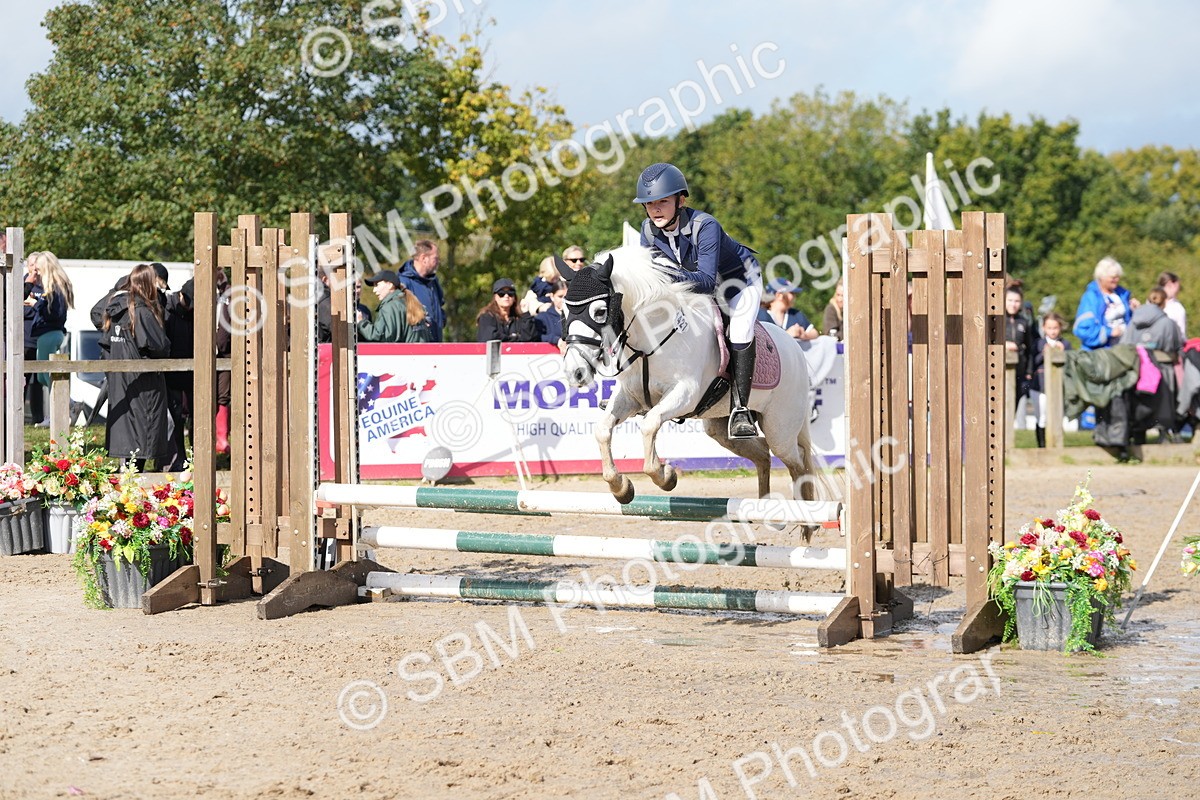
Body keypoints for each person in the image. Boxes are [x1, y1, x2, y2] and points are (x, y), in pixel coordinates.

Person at [635, 162, 763, 438]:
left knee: (739, 330)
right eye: (649, 204)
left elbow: (705, 283)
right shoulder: (647, 231)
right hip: (693, 286)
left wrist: (663, 276)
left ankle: (741, 409)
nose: (655, 209)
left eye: (663, 202)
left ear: (680, 200)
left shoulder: (705, 226)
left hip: (738, 282)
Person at [99, 264, 171, 470]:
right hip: (143, 384)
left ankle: (126, 478)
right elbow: (160, 346)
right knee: (141, 437)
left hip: (120, 383)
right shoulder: (142, 312)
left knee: (127, 440)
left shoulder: (114, 309)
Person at [25, 252, 74, 426]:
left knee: (47, 375)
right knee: (41, 377)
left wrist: (35, 304)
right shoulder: (53, 286)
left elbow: (54, 314)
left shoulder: (55, 287)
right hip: (46, 334)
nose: (35, 273)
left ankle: (67, 406)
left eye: (38, 269)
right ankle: (62, 409)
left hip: (50, 333)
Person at [163, 279, 195, 471]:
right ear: (181, 295)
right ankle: (177, 460)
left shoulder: (194, 313)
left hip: (191, 375)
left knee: (194, 418)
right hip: (172, 375)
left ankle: (194, 458)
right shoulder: (167, 310)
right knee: (175, 419)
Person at [1074, 256, 1136, 350]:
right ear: (1102, 277)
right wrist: (1109, 332)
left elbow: (1129, 320)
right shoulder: (1091, 298)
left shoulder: (1122, 295)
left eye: (1118, 277)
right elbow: (1082, 329)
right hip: (1100, 353)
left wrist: (1135, 310)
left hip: (1123, 348)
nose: (1116, 280)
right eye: (1113, 277)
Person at [1030, 312, 1072, 448]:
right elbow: (1032, 362)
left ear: (1060, 328)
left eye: (1055, 328)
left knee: (1057, 417)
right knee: (1041, 417)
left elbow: (1072, 362)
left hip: (1059, 387)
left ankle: (1056, 444)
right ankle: (1041, 446)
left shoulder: (1065, 343)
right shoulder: (1038, 343)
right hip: (1039, 386)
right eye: (1049, 328)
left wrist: (1064, 352)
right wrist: (1044, 352)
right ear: (1044, 328)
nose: (1052, 331)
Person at [357, 270, 431, 343]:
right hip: (420, 353)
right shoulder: (410, 302)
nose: (374, 290)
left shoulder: (390, 307)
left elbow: (380, 337)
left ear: (390, 285)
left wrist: (361, 322)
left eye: (377, 285)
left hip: (403, 354)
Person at [397, 240, 446, 342]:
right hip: (416, 349)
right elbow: (400, 314)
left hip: (436, 345)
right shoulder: (403, 282)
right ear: (424, 258)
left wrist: (442, 318)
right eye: (435, 259)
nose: (438, 262)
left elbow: (440, 306)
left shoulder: (433, 281)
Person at [1006, 285, 1037, 430]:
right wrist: (1004, 345)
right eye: (1010, 300)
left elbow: (1030, 348)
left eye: (1017, 301)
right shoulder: (997, 320)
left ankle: (1006, 441)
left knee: (1013, 406)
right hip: (999, 371)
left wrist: (1029, 372)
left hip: (1019, 372)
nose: (1013, 304)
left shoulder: (1024, 322)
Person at [1122, 288, 1184, 354]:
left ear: (1148, 300)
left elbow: (1123, 345)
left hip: (1135, 361)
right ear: (1165, 302)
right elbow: (1177, 348)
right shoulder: (1169, 323)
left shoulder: (1133, 321)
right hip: (1160, 363)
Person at [477, 278, 538, 342]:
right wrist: (515, 339)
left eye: (510, 293)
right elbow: (490, 337)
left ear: (514, 298)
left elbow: (530, 338)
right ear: (495, 297)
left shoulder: (519, 318)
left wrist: (526, 314)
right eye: (501, 294)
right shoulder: (487, 317)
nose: (506, 296)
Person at [22, 256, 45, 425]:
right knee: (22, 380)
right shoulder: (23, 283)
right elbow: (20, 311)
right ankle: (19, 416)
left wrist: (33, 304)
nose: (34, 269)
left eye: (37, 266)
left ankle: (39, 417)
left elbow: (47, 312)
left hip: (41, 339)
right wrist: (36, 306)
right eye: (31, 265)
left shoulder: (46, 285)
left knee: (39, 381)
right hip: (24, 341)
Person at [535, 279, 567, 345]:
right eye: (560, 296)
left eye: (567, 297)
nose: (564, 300)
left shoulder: (577, 318)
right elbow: (536, 336)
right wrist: (556, 340)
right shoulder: (542, 317)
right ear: (552, 296)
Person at [1157, 271, 1187, 339]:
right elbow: (1182, 336)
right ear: (1170, 284)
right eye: (1177, 286)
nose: (1178, 290)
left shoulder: (1178, 308)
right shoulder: (1177, 309)